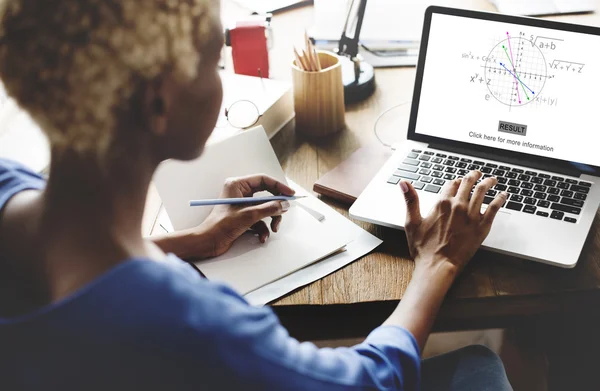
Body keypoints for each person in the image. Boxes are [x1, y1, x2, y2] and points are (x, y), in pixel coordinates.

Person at [0, 0, 512, 390]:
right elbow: (364, 380)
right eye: (213, 62)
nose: (222, 76)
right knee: (480, 368)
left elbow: (74, 274)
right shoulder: (189, 323)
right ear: (158, 101)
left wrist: (192, 242)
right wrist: (436, 263)